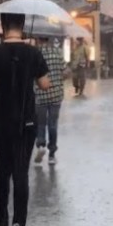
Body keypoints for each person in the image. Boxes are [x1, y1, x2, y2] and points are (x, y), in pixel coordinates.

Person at [0, 13, 51, 226]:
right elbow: (45, 84)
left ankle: (1, 221)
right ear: (23, 25)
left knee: (3, 171)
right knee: (21, 173)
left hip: (2, 120)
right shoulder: (33, 53)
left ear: (4, 26)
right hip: (26, 122)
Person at [34, 37, 66, 165]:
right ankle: (52, 154)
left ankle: (41, 145)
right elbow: (65, 71)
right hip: (56, 94)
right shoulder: (57, 53)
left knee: (41, 124)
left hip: (40, 94)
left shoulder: (36, 54)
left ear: (39, 39)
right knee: (53, 124)